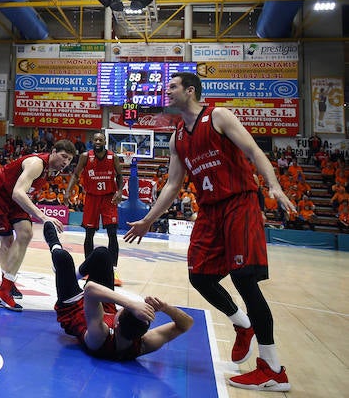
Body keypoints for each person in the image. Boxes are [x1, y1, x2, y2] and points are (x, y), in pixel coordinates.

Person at [123, 72, 293, 392]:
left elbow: (254, 152)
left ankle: (271, 368)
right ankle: (243, 325)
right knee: (199, 275)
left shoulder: (218, 115)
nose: (166, 91)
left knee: (244, 278)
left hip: (238, 201)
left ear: (191, 91)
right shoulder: (177, 138)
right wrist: (148, 219)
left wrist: (273, 185)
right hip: (210, 210)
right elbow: (173, 185)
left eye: (172, 86)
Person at [42, 223, 193, 360]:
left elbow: (90, 290)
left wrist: (131, 304)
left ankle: (54, 245)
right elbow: (186, 324)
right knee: (102, 254)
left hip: (73, 308)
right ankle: (72, 276)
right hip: (101, 305)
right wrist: (166, 308)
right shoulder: (143, 344)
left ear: (117, 322)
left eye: (122, 310)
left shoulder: (99, 337)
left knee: (62, 258)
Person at [0, 139, 77, 311]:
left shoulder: (52, 170)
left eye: (69, 160)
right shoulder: (36, 163)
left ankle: (6, 284)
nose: (66, 162)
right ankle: (5, 289)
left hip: (15, 199)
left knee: (26, 233)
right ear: (53, 151)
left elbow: (20, 193)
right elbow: (18, 192)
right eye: (64, 156)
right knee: (7, 241)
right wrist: (43, 216)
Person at [64, 131, 125, 285]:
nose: (98, 141)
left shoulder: (113, 157)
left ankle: (113, 269)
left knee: (112, 233)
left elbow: (119, 176)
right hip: (91, 197)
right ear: (92, 141)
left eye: (101, 139)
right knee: (89, 233)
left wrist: (119, 191)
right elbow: (76, 174)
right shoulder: (85, 156)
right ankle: (88, 268)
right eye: (96, 139)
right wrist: (68, 191)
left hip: (108, 198)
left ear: (105, 141)